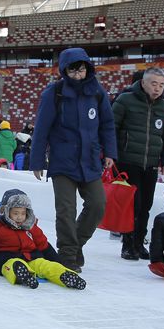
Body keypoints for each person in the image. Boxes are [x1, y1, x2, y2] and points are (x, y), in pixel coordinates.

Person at [29, 48, 117, 271]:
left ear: (88, 68)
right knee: (66, 210)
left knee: (98, 204)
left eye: (81, 69)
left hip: (90, 160)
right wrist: (37, 161)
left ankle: (76, 245)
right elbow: (41, 129)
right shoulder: (54, 93)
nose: (78, 74)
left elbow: (107, 124)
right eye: (72, 70)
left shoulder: (97, 92)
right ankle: (68, 255)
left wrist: (110, 152)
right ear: (64, 71)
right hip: (62, 162)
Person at [112, 67, 164, 261]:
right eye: (154, 84)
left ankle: (139, 243)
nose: (158, 88)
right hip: (127, 162)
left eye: (161, 85)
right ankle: (128, 244)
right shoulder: (125, 100)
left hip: (151, 164)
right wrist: (110, 155)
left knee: (146, 205)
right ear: (143, 83)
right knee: (133, 205)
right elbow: (111, 128)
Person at [0, 189, 86, 290]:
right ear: (6, 211)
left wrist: (58, 262)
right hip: (5, 259)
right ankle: (22, 274)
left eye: (23, 213)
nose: (19, 217)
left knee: (44, 264)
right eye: (15, 213)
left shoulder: (30, 227)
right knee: (13, 264)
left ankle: (65, 275)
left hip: (30, 257)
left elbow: (44, 245)